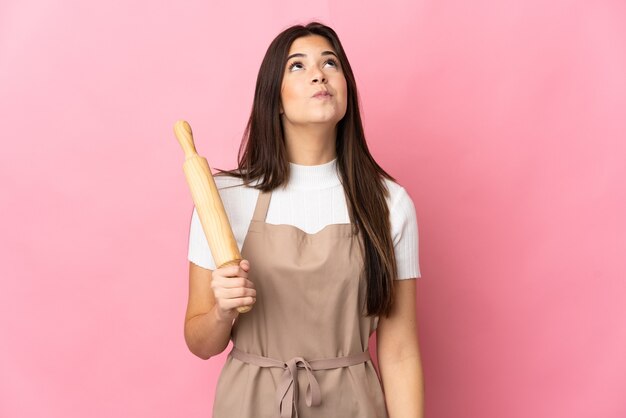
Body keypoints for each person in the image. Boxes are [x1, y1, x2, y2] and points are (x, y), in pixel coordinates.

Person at [184, 21, 424, 418]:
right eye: (298, 66)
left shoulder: (389, 203)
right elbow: (199, 341)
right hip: (249, 406)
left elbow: (399, 353)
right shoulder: (224, 201)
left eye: (331, 63)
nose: (319, 73)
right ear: (274, 99)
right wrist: (222, 311)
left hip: (353, 407)